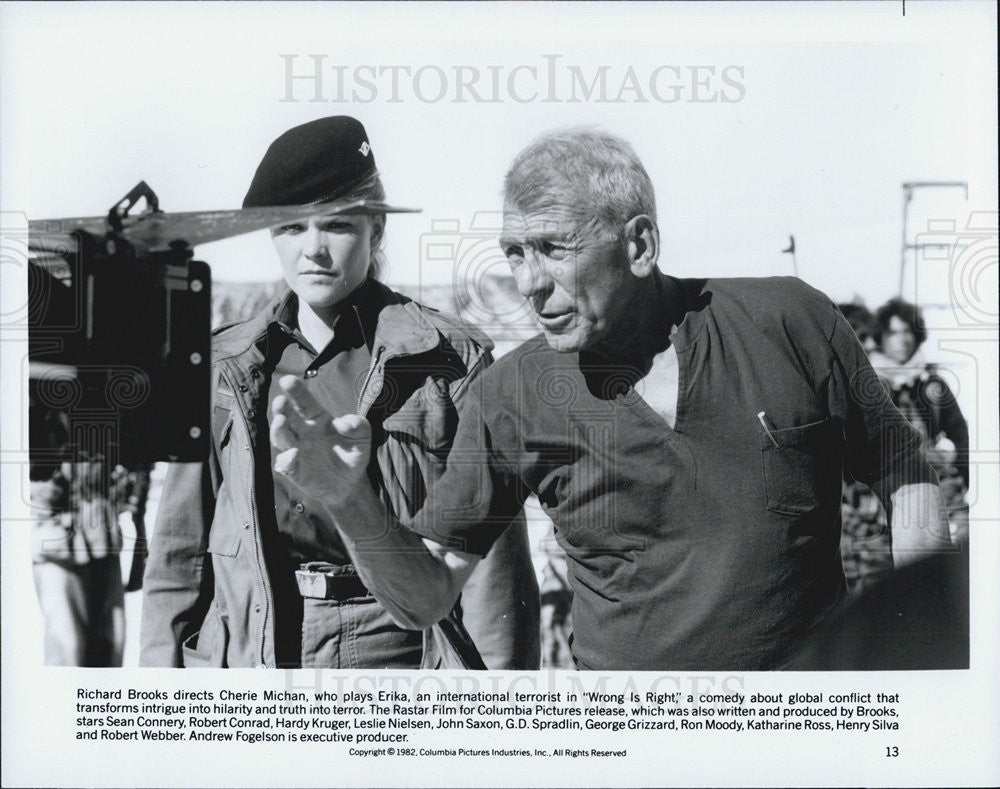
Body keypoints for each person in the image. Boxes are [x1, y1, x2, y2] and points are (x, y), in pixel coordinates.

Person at [270, 128, 952, 671]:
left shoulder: (791, 320)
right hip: (633, 746)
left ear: (640, 244)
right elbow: (427, 595)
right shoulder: (512, 392)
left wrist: (916, 652)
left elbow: (906, 470)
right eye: (513, 252)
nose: (528, 283)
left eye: (552, 248)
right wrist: (348, 499)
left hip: (803, 730)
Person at [140, 116, 539, 669]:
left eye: (336, 225)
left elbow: (494, 573)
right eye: (291, 229)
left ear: (376, 228)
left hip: (398, 649)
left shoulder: (448, 363)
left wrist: (499, 713)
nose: (314, 251)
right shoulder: (223, 367)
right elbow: (176, 564)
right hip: (252, 649)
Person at [870, 297, 970, 544]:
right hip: (880, 496)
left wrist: (962, 477)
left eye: (907, 331)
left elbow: (960, 433)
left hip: (934, 487)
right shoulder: (868, 385)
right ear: (881, 337)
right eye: (893, 332)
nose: (902, 339)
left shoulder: (931, 385)